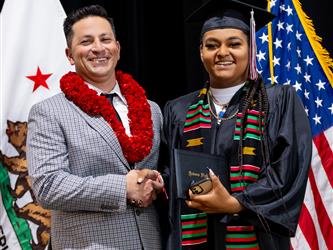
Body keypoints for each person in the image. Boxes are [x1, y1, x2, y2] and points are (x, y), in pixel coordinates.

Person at [161, 0, 312, 249]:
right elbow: (170, 172)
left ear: (250, 49)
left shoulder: (278, 100)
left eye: (234, 44)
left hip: (258, 240)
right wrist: (157, 181)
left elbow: (288, 171)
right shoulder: (178, 110)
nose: (222, 52)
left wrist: (235, 204)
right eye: (212, 45)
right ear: (201, 52)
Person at [27, 5, 164, 249]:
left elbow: (160, 168)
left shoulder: (151, 109)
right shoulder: (48, 112)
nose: (98, 48)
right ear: (70, 55)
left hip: (151, 241)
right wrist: (122, 188)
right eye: (87, 41)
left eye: (105, 39)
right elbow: (48, 186)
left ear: (118, 49)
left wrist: (158, 182)